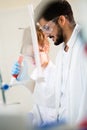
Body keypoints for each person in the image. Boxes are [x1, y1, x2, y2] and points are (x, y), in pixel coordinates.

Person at [35, 0, 87, 125]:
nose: (46, 35)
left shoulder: (83, 47)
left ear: (62, 20)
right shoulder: (60, 56)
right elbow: (58, 98)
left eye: (47, 28)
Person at [11, 26, 57, 127]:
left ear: (46, 47)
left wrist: (27, 82)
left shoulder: (57, 73)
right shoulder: (35, 74)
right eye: (29, 56)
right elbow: (39, 106)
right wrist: (31, 116)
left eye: (34, 55)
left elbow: (48, 101)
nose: (32, 60)